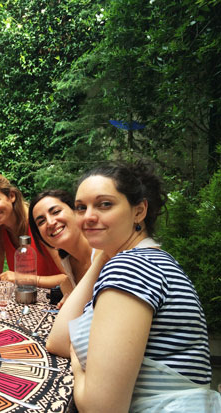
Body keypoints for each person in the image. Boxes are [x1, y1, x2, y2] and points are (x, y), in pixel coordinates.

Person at [50, 162, 220, 412]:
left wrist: (78, 364)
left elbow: (101, 409)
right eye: (80, 207)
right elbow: (58, 341)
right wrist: (103, 257)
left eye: (104, 204)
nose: (88, 217)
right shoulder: (141, 259)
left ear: (139, 211)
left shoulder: (133, 268)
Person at [0, 172, 61, 282]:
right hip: (25, 298)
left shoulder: (40, 224)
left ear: (11, 196)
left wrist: (24, 279)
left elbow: (69, 278)